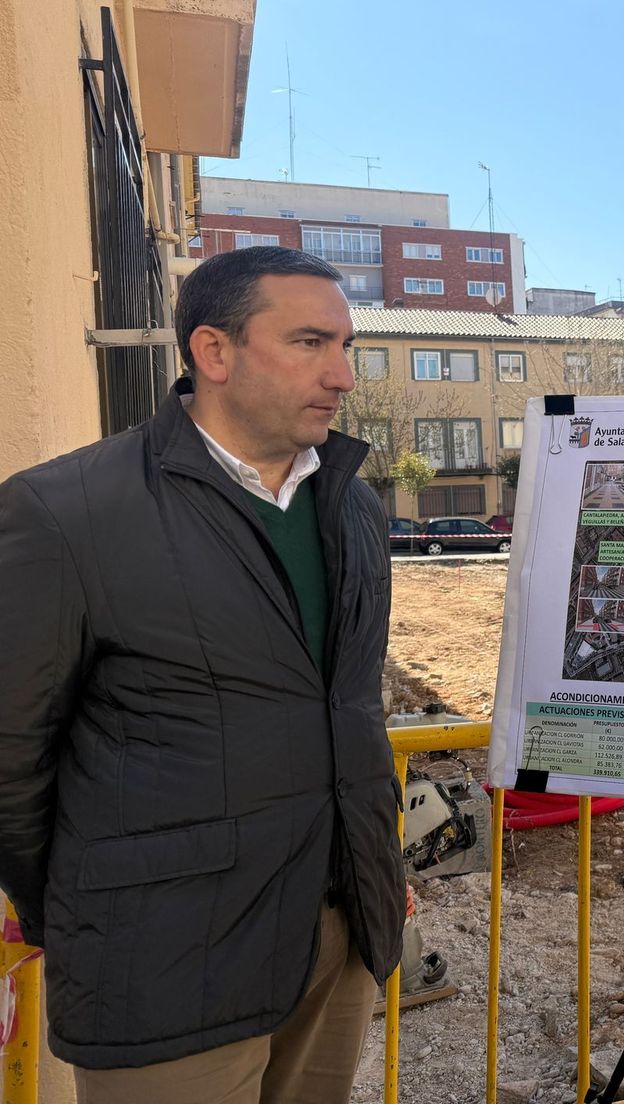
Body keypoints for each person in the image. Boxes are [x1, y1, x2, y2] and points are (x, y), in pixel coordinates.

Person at [0, 246, 406, 1103]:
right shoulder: (66, 510)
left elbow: (350, 707)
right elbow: (10, 754)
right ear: (213, 353)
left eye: (347, 346)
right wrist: (80, 915)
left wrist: (373, 866)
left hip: (337, 934)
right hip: (164, 961)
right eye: (309, 343)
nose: (342, 376)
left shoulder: (353, 503)